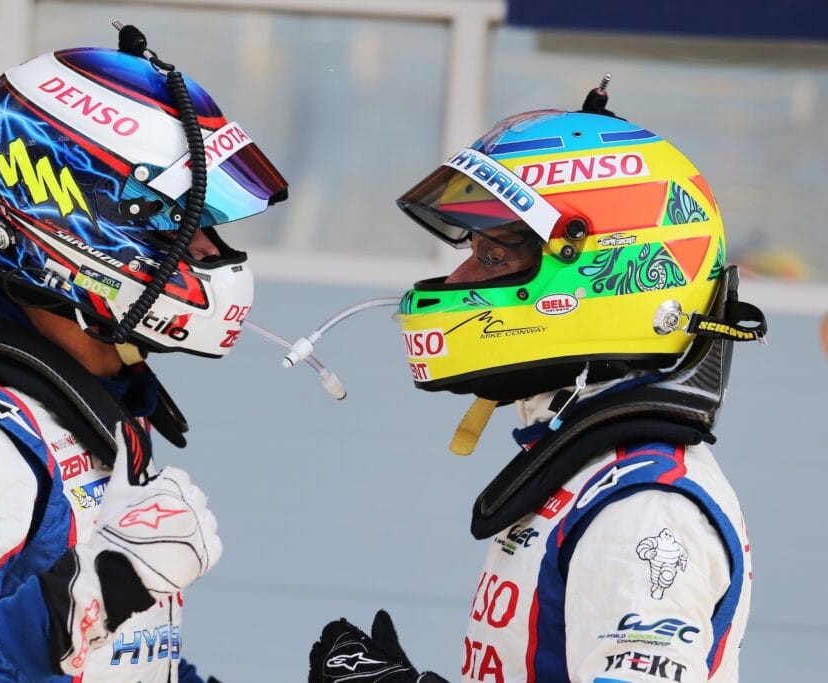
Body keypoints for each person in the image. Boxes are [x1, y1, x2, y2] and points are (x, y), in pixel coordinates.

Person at [0, 23, 288, 683]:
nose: (211, 254)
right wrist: (86, 599)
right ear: (68, 224)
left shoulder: (94, 408)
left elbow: (117, 665)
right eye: (181, 224)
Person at [308, 80, 766, 682]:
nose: (457, 277)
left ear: (606, 273)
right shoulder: (587, 471)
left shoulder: (645, 509)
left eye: (494, 256)